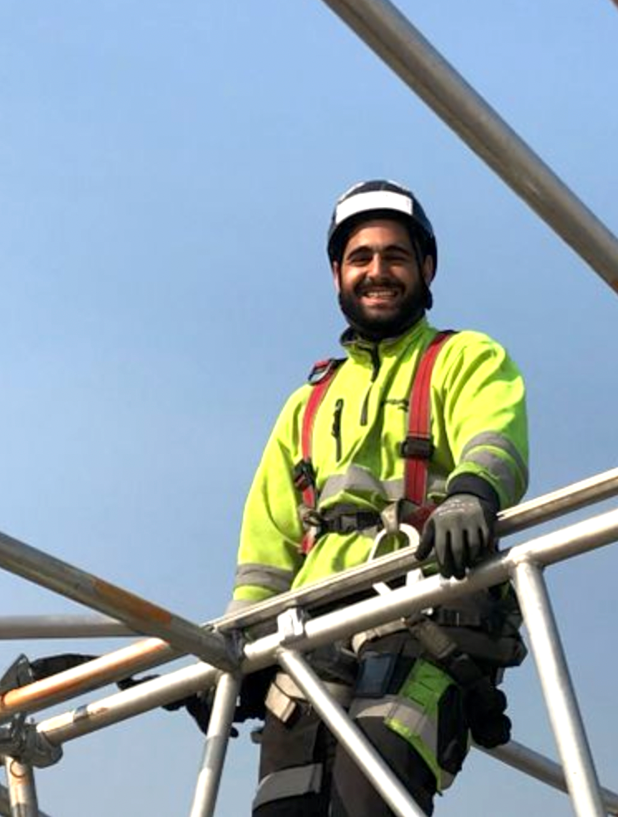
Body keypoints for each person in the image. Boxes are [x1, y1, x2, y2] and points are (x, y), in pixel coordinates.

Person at [229, 180, 530, 815]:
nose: (377, 271)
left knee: (373, 787)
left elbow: (494, 435)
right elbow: (266, 549)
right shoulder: (306, 405)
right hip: (312, 631)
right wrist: (239, 647)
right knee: (285, 807)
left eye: (395, 256)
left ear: (426, 268)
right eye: (360, 258)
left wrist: (472, 495)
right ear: (337, 275)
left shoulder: (463, 359)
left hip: (425, 609)